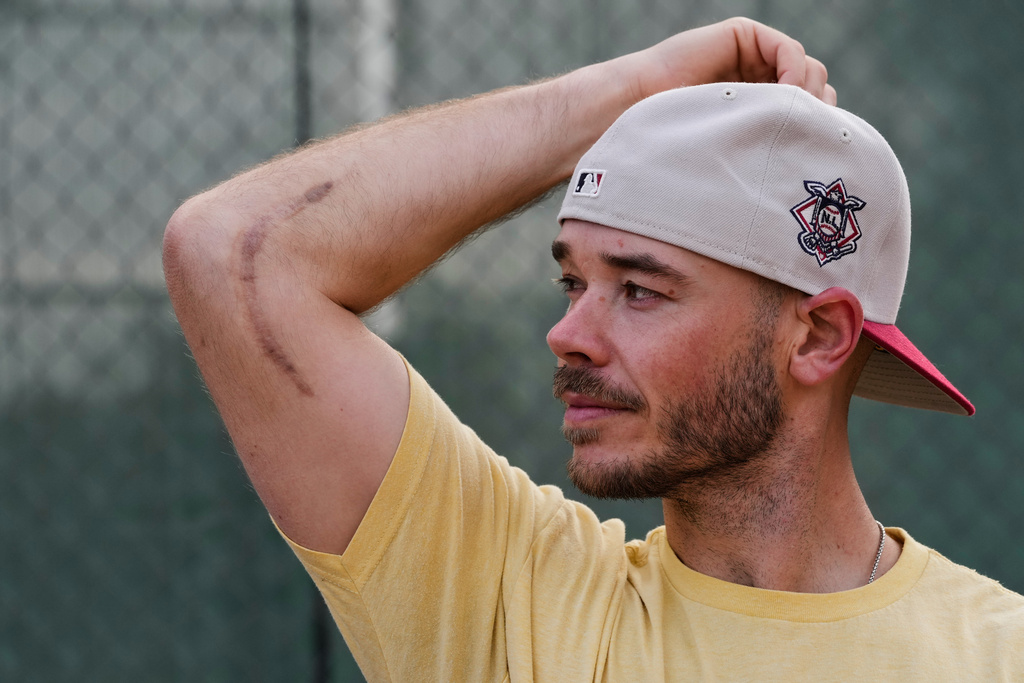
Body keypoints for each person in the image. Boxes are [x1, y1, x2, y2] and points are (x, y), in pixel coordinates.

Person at [163, 17, 1023, 681]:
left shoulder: (998, 653)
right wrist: (630, 94)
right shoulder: (517, 604)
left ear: (820, 337)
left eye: (640, 289)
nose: (568, 333)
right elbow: (232, 252)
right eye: (572, 282)